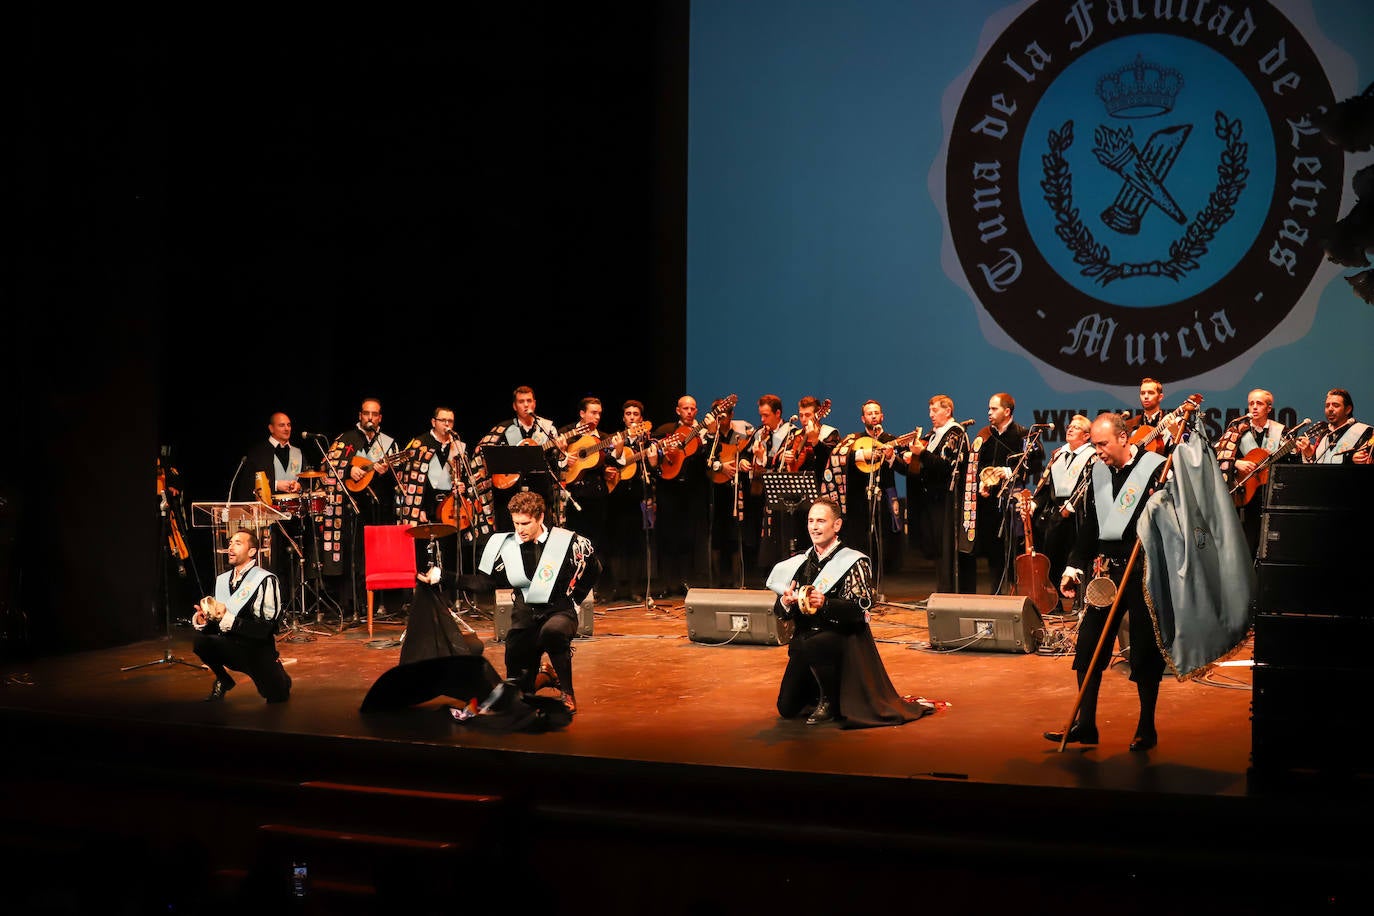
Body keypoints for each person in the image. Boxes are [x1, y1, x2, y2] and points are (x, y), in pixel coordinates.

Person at [1045, 412, 1169, 752]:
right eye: (1095, 444)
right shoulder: (1098, 471)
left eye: (1102, 444)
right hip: (1105, 575)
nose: (1097, 450)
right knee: (1087, 648)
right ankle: (1086, 725)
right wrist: (1074, 566)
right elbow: (1091, 527)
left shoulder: (1155, 469)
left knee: (1144, 653)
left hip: (1142, 572)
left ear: (1123, 438)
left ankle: (1147, 728)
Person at [766, 497, 931, 729]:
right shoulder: (801, 562)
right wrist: (785, 601)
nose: (814, 526)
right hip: (805, 640)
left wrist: (825, 603)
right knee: (787, 709)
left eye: (821, 521)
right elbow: (781, 612)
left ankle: (831, 700)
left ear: (837, 526)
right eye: (811, 520)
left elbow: (859, 609)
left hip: (840, 637)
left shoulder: (853, 561)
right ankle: (816, 693)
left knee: (812, 644)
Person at [456, 490, 599, 715]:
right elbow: (485, 583)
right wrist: (443, 578)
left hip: (559, 611)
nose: (520, 529)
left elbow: (594, 569)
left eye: (525, 523)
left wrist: (576, 599)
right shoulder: (508, 545)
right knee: (520, 689)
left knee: (552, 632)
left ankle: (567, 692)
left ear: (540, 518)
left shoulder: (565, 541)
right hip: (525, 614)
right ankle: (545, 676)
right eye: (516, 523)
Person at [320, 398, 404, 621]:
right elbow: (327, 465)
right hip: (352, 508)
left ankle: (379, 604)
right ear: (360, 415)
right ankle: (353, 605)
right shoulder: (346, 439)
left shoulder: (387, 443)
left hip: (379, 508)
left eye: (374, 414)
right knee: (354, 555)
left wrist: (388, 471)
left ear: (380, 418)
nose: (370, 418)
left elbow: (400, 477)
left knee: (377, 556)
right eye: (366, 413)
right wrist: (350, 469)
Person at [191, 529, 292, 703]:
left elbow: (267, 629)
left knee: (277, 696)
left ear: (252, 552)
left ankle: (280, 677)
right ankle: (224, 680)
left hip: (257, 651)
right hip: (232, 648)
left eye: (238, 543)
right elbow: (216, 625)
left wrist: (228, 619)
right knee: (201, 643)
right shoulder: (222, 580)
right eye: (230, 543)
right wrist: (204, 620)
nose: (230, 547)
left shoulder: (265, 580)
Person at [396, 406, 481, 604]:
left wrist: (463, 487)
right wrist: (420, 509)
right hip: (427, 506)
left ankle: (450, 597)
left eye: (450, 421)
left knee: (451, 550)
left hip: (451, 507)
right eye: (443, 420)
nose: (447, 425)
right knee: (426, 552)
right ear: (433, 422)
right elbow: (412, 479)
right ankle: (423, 598)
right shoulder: (420, 444)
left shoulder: (458, 446)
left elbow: (470, 477)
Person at [818, 399, 911, 579]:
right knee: (858, 541)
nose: (874, 416)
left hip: (884, 498)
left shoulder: (890, 440)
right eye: (870, 413)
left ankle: (878, 581)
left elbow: (904, 469)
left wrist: (891, 457)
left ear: (882, 416)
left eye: (876, 412)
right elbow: (839, 458)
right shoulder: (854, 440)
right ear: (863, 418)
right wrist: (862, 454)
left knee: (881, 542)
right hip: (858, 500)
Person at [969, 392, 1044, 595]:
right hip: (989, 503)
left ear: (1007, 411)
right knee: (994, 552)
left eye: (994, 409)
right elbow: (977, 465)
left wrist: (1009, 472)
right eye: (989, 408)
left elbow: (1036, 463)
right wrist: (982, 483)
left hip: (1013, 501)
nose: (989, 413)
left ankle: (1016, 593)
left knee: (1014, 548)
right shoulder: (986, 435)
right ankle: (996, 593)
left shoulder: (1023, 434)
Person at [233, 411, 309, 608]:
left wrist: (299, 486)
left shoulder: (297, 453)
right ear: (271, 428)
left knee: (292, 560)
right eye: (282, 425)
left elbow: (308, 477)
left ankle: (293, 604)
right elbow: (248, 483)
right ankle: (271, 604)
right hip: (268, 517)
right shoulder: (258, 452)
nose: (287, 429)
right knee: (273, 561)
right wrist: (277, 484)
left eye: (289, 425)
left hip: (292, 516)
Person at [652, 395, 721, 597]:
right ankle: (666, 582)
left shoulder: (702, 434)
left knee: (689, 537)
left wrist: (712, 434)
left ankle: (685, 581)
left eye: (692, 408)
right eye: (685, 408)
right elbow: (653, 454)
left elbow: (712, 459)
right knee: (667, 536)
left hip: (693, 491)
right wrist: (666, 451)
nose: (689, 412)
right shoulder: (666, 430)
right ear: (678, 410)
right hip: (668, 490)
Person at [475, 386, 569, 531]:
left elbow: (556, 464)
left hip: (540, 492)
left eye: (529, 401)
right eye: (521, 401)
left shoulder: (547, 429)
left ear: (534, 403)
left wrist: (561, 451)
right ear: (514, 406)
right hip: (509, 495)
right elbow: (483, 455)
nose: (526, 405)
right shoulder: (502, 430)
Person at [908, 395, 974, 594]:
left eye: (935, 410)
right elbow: (924, 467)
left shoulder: (955, 433)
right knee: (939, 550)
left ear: (947, 411)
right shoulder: (933, 434)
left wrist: (922, 454)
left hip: (948, 499)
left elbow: (947, 465)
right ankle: (942, 590)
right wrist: (901, 460)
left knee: (947, 551)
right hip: (933, 500)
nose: (931, 415)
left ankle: (950, 593)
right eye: (930, 411)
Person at [1214, 390, 1292, 557]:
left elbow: (1290, 464)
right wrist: (1236, 463)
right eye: (1251, 404)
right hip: (1242, 496)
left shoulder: (1281, 431)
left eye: (1260, 404)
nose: (1254, 407)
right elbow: (1217, 455)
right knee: (1244, 546)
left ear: (1269, 408)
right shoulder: (1238, 430)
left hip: (1270, 496)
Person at [1032, 414, 1095, 593]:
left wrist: (1072, 504)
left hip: (1078, 513)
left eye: (1076, 427)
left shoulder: (1092, 456)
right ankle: (1053, 600)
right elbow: (1046, 483)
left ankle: (1077, 600)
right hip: (1055, 512)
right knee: (1052, 557)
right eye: (1070, 426)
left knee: (1073, 559)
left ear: (1086, 436)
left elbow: (1088, 484)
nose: (1070, 429)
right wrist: (1035, 502)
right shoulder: (1059, 454)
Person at [603, 400, 659, 601]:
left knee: (637, 544)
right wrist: (618, 451)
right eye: (628, 413)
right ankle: (619, 587)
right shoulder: (615, 439)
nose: (632, 417)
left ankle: (636, 588)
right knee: (617, 543)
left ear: (641, 418)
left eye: (636, 414)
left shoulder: (648, 442)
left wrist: (653, 462)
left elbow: (655, 469)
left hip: (638, 496)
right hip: (616, 497)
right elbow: (607, 462)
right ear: (623, 417)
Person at [737, 394, 794, 582]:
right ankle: (758, 575)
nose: (762, 420)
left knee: (776, 535)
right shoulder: (760, 432)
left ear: (778, 413)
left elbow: (781, 460)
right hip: (758, 491)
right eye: (760, 415)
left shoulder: (790, 433)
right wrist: (744, 461)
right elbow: (744, 453)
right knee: (756, 534)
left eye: (766, 415)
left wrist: (763, 458)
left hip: (780, 492)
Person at [704, 398, 754, 586]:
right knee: (716, 534)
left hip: (735, 490)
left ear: (731, 415)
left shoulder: (741, 435)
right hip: (715, 491)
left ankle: (736, 580)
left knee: (735, 534)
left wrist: (742, 462)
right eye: (717, 416)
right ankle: (714, 581)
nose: (720, 419)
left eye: (724, 416)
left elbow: (746, 454)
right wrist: (720, 467)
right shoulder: (710, 434)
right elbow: (707, 460)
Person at [559, 396, 614, 561]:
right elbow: (551, 459)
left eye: (599, 414)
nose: (597, 417)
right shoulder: (566, 433)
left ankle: (593, 581)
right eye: (593, 413)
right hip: (571, 494)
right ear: (582, 413)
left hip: (596, 494)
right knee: (572, 538)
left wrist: (617, 451)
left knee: (595, 539)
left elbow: (613, 460)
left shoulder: (604, 437)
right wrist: (563, 457)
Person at [1297, 388, 1373, 464]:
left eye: (1336, 405)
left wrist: (1359, 459)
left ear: (1348, 409)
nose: (1330, 409)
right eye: (1327, 406)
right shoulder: (1324, 435)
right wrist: (1309, 454)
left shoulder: (1365, 432)